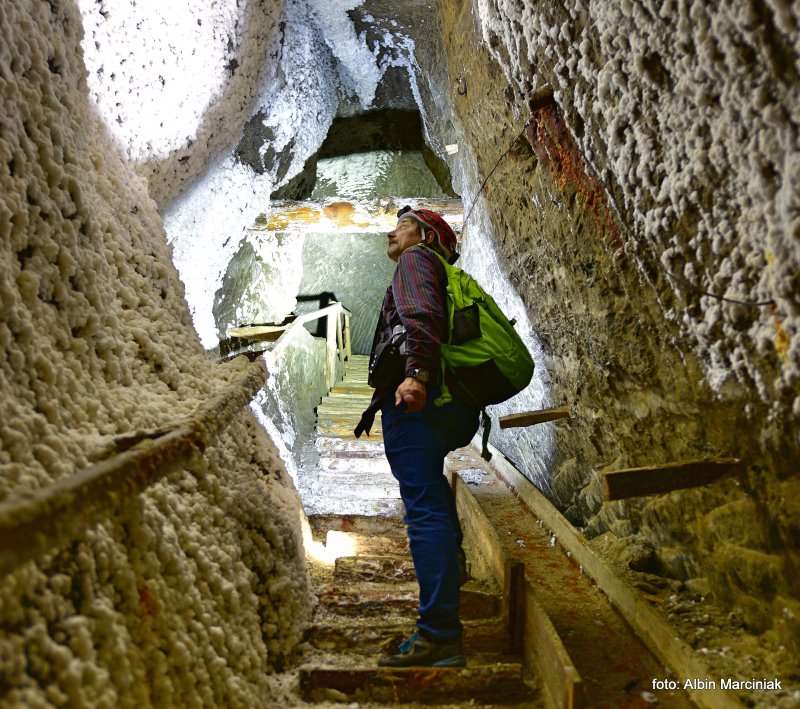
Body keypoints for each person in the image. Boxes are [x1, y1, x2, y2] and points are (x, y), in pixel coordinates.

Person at [355, 206, 480, 667]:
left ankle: (439, 635)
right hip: (453, 405)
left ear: (426, 233)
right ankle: (451, 575)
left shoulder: (416, 259)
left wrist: (417, 375)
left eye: (402, 222)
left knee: (423, 508)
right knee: (431, 499)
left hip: (420, 401)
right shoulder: (440, 269)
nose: (393, 230)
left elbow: (420, 315)